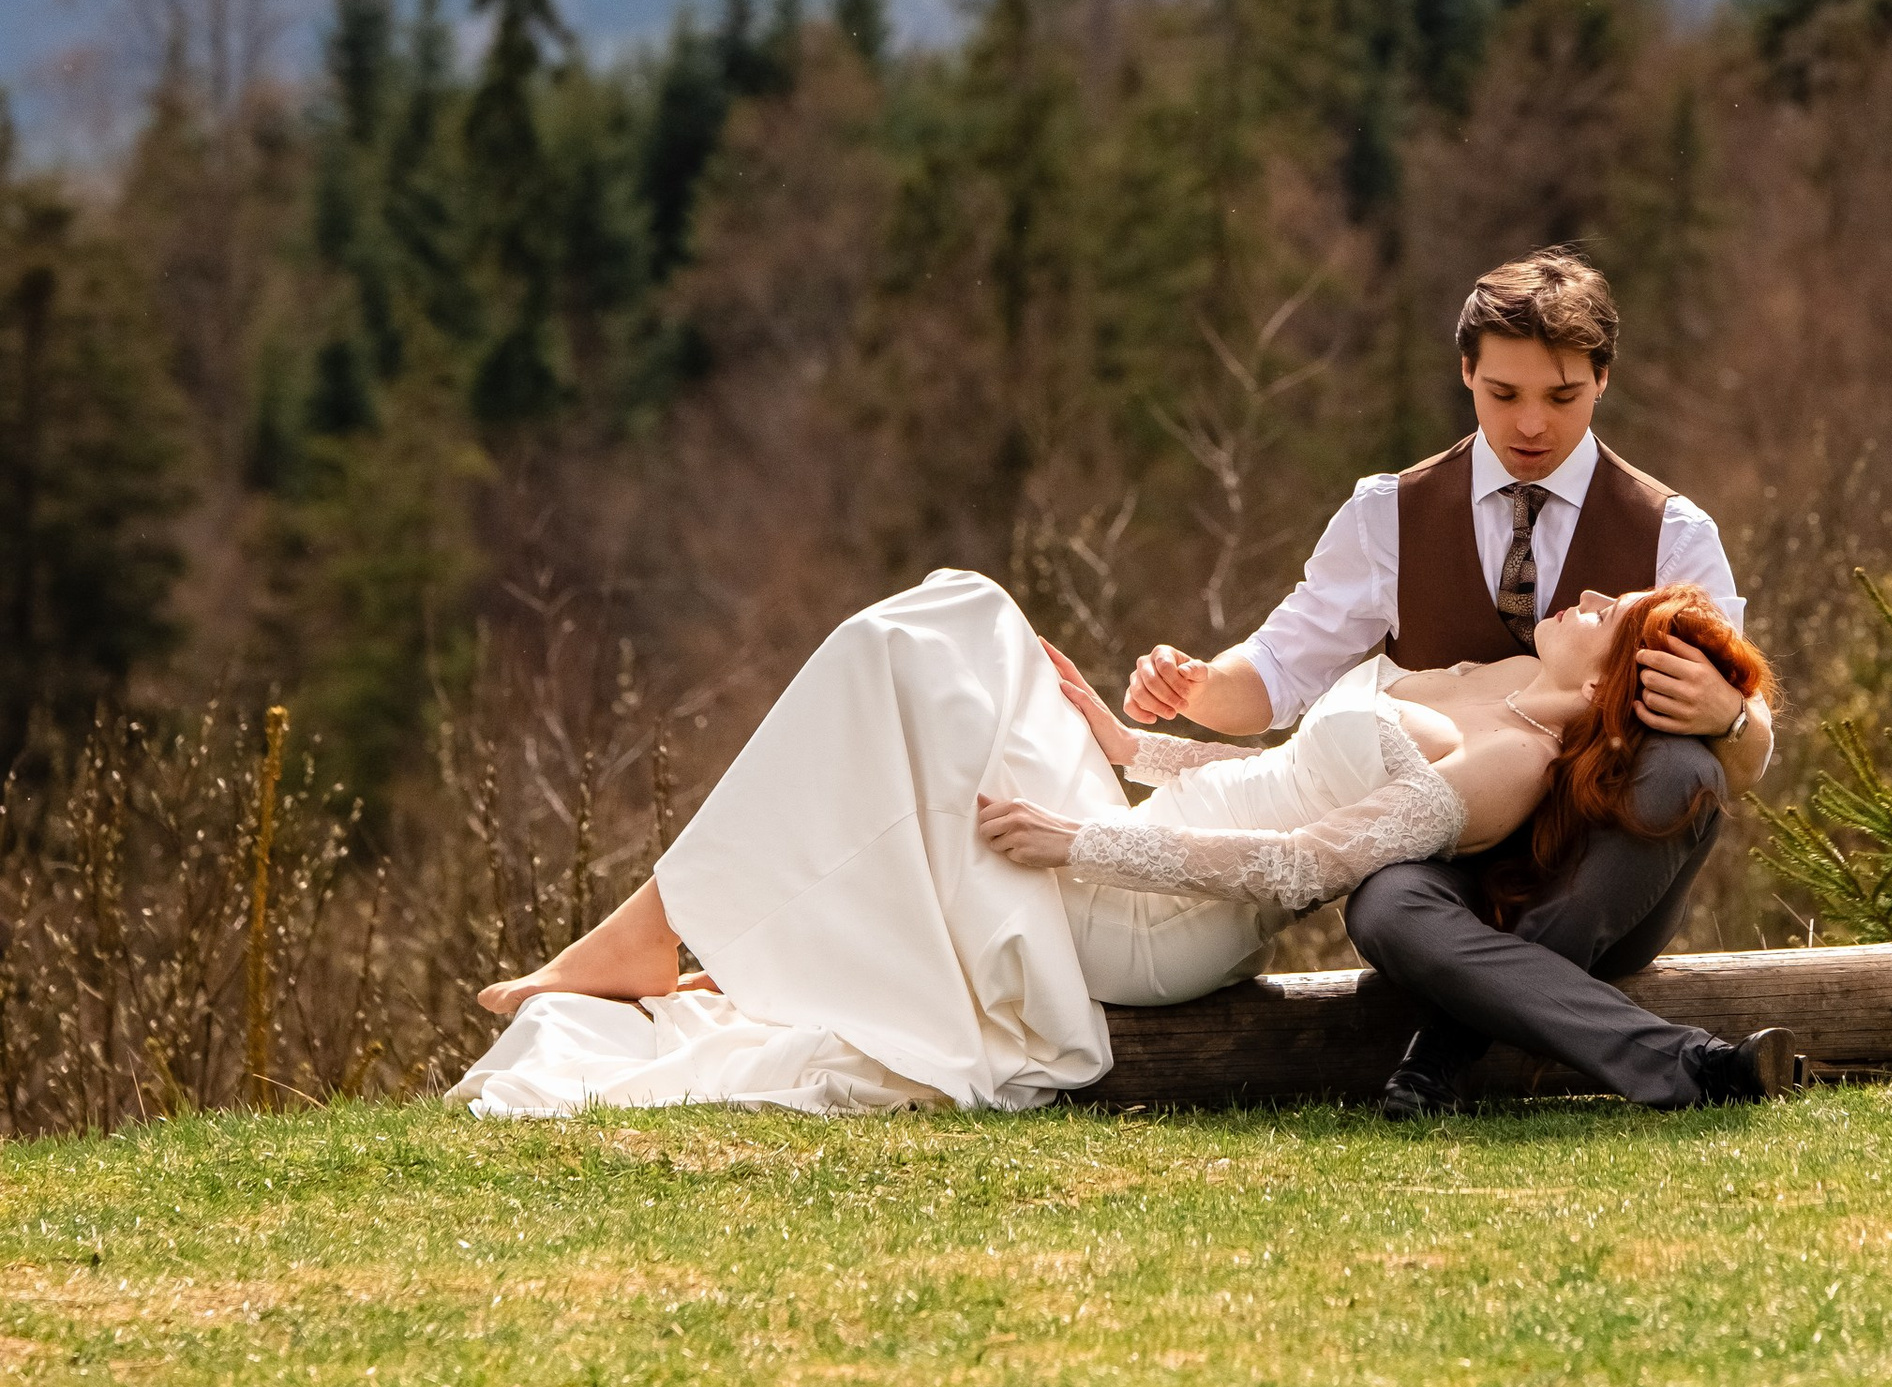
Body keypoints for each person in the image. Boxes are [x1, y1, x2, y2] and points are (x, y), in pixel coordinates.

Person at [447, 557, 1784, 1121]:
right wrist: (1130, 747)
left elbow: (1298, 867)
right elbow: (1272, 778)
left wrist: (1078, 844)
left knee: (906, 681)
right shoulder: (1474, 688)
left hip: (1159, 918)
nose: (1593, 591)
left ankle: (649, 932)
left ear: (1624, 669)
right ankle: (667, 928)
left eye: (1619, 607)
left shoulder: (1505, 764)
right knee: (952, 615)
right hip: (1149, 828)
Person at [1121, 247, 1783, 1117]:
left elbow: (1745, 761)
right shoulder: (1387, 515)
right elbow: (1279, 671)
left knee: (1682, 771)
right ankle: (1686, 1064)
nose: (1533, 425)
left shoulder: (1673, 534)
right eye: (1503, 394)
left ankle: (1440, 1053)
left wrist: (1735, 720)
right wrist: (1197, 687)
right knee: (1385, 910)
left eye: (1562, 397)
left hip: (1607, 876)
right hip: (1454, 871)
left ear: (1603, 379)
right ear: (1466, 373)